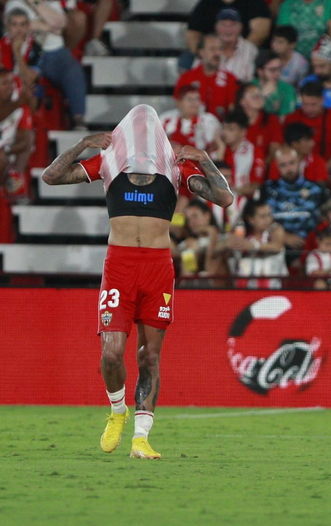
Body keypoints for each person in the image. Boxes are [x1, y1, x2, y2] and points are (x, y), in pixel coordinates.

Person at [40, 105, 233, 459]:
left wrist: (205, 160)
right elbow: (50, 177)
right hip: (120, 267)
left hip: (157, 268)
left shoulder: (175, 168)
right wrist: (82, 143)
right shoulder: (108, 162)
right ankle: (118, 411)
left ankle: (141, 439)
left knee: (150, 356)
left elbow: (224, 198)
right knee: (112, 353)